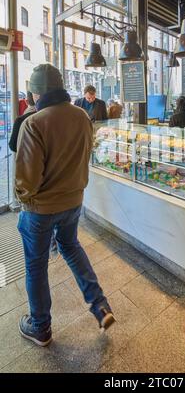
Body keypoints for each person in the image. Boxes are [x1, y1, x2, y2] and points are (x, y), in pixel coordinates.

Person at [16, 63, 115, 347]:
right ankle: (101, 307)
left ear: (36, 93)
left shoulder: (33, 123)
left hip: (41, 210)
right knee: (71, 247)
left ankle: (41, 327)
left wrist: (25, 201)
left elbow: (27, 180)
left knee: (36, 266)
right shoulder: (82, 115)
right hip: (74, 202)